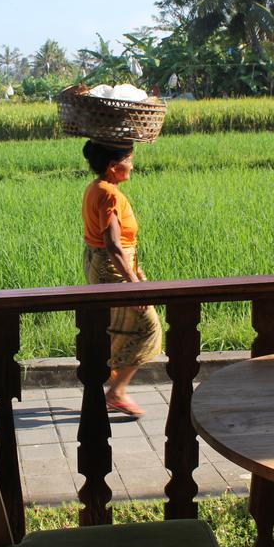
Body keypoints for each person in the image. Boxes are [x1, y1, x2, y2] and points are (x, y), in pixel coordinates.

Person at [81, 140, 162, 417]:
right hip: (111, 267)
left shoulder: (96, 188)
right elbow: (114, 245)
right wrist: (135, 285)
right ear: (114, 167)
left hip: (101, 263)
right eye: (129, 159)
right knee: (147, 326)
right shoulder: (109, 195)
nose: (133, 164)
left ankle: (110, 383)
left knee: (117, 323)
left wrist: (133, 270)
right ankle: (115, 392)